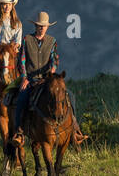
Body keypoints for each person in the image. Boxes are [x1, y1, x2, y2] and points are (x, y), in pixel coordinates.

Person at [13, 12, 85, 145]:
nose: (42, 28)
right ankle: (19, 132)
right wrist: (24, 78)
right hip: (31, 80)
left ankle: (75, 130)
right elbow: (22, 61)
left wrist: (52, 71)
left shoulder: (52, 41)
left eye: (44, 26)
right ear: (35, 26)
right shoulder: (27, 39)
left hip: (47, 80)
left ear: (47, 27)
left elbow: (55, 60)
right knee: (22, 99)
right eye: (39, 26)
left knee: (70, 96)